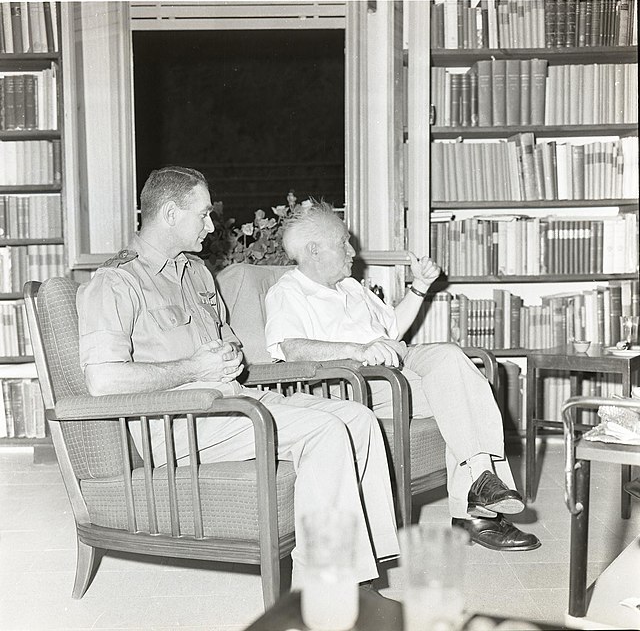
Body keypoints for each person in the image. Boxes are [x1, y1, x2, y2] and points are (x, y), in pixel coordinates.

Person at [76, 167, 400, 589]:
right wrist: (195, 369)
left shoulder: (195, 274)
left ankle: (364, 575)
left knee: (358, 419)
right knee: (324, 431)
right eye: (204, 215)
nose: (212, 227)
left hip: (228, 403)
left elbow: (228, 350)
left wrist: (229, 361)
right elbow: (102, 381)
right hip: (176, 422)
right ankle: (327, 590)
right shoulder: (116, 283)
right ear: (171, 214)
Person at [264, 200, 541, 552]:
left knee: (450, 357)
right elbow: (292, 349)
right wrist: (355, 350)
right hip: (353, 381)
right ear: (314, 250)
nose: (352, 251)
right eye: (343, 243)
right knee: (462, 392)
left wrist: (421, 286)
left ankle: (478, 489)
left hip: (396, 363)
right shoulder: (289, 292)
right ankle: (478, 511)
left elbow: (392, 328)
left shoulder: (350, 286)